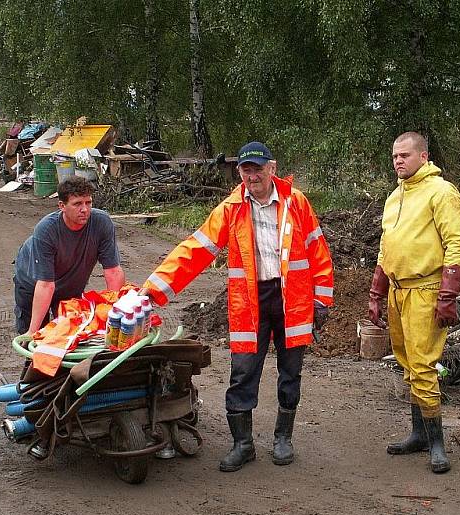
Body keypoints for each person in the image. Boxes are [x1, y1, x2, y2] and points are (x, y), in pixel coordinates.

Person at [140, 142, 334, 472]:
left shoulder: (295, 203)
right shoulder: (231, 209)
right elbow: (194, 251)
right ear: (240, 172)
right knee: (243, 370)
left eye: (258, 168)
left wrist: (322, 300)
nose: (252, 175)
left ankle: (283, 439)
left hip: (293, 300)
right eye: (246, 169)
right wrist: (152, 291)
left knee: (291, 371)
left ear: (272, 168)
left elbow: (318, 249)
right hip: (250, 300)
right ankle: (242, 444)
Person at [369, 132, 460, 473]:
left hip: (425, 290)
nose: (398, 161)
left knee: (424, 365)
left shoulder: (441, 192)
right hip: (398, 290)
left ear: (423, 156)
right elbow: (386, 245)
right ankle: (419, 434)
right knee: (408, 362)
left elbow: (456, 245)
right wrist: (376, 292)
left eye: (405, 155)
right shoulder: (395, 196)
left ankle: (437, 443)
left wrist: (448, 295)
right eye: (395, 156)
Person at [13, 176, 125, 334]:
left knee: (70, 333)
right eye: (77, 204)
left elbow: (113, 271)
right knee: (36, 336)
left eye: (88, 202)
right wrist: (33, 332)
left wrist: (116, 315)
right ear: (62, 206)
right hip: (34, 284)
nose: (85, 209)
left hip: (70, 285)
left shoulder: (102, 223)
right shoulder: (46, 230)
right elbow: (46, 285)